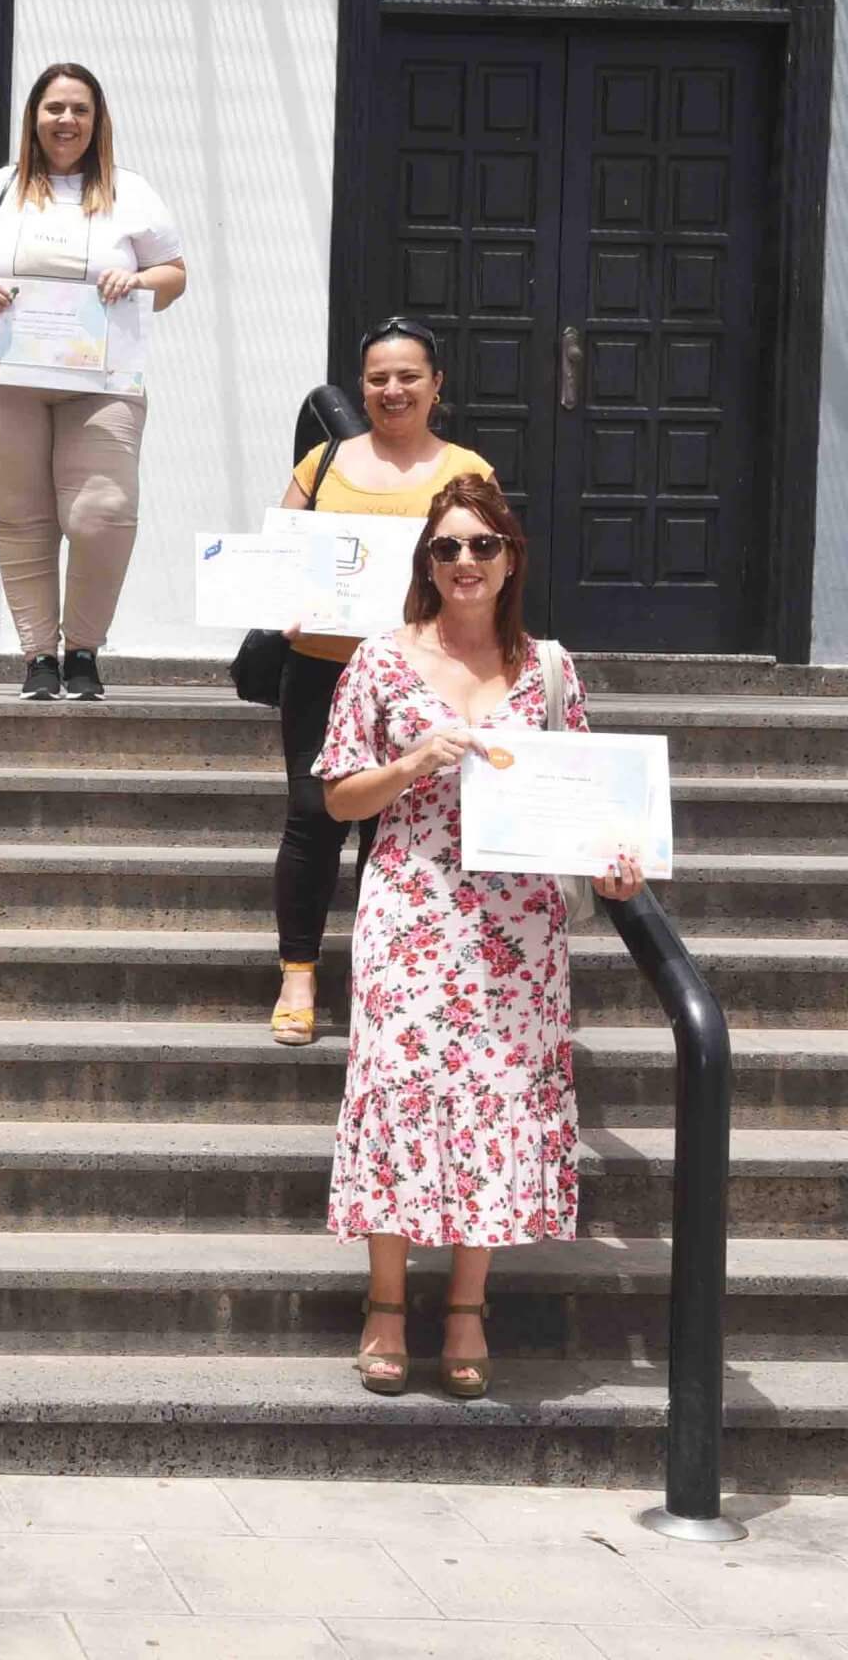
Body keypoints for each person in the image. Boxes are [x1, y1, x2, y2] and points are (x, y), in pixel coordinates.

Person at [314, 476, 643, 1398]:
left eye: (483, 545)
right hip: (412, 908)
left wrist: (617, 864)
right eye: (447, 546)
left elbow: (587, 796)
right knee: (399, 1090)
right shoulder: (380, 661)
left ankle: (467, 1306)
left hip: (517, 928)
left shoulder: (549, 670)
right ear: (427, 563)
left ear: (510, 559)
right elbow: (337, 796)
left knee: (496, 1099)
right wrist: (415, 759)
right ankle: (385, 1303)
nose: (465, 560)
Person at [268, 318, 495, 1046]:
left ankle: (379, 977)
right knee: (313, 816)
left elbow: (486, 563)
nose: (392, 390)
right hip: (322, 667)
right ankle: (298, 974)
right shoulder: (325, 461)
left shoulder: (467, 470)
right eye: (377, 378)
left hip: (416, 675)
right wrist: (281, 605)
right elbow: (277, 558)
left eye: (407, 376)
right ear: (361, 387)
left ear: (437, 385)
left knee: (394, 827)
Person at [0, 61, 188, 701]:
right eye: (54, 108)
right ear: (34, 118)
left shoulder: (131, 191)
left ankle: (83, 648)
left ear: (97, 120)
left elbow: (174, 275)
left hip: (102, 376)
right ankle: (40, 659)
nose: (66, 120)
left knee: (103, 515)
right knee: (21, 519)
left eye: (79, 109)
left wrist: (138, 280)